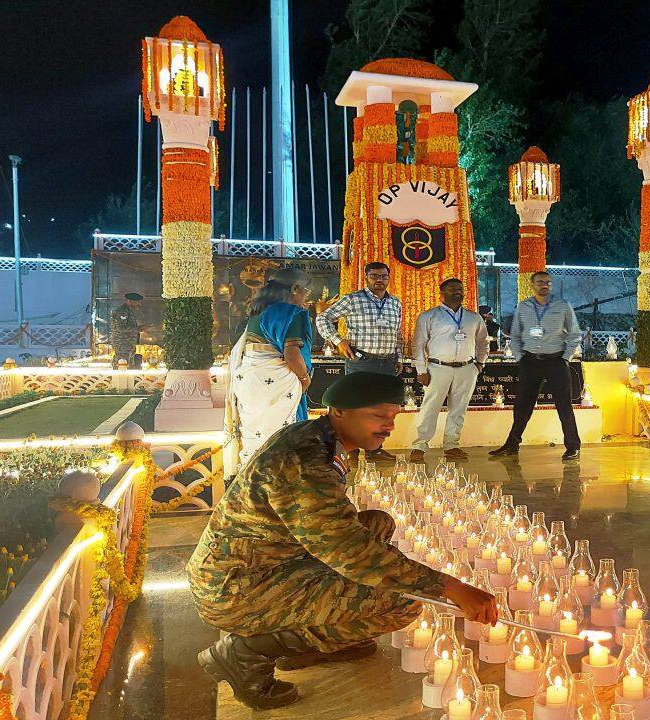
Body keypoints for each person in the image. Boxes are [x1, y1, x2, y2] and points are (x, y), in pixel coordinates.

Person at [189, 372, 498, 710]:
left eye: (393, 416)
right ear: (339, 411)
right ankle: (246, 651)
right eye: (377, 416)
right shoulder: (303, 461)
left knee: (377, 525)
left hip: (265, 561)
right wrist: (450, 587)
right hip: (237, 587)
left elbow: (342, 533)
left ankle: (306, 642)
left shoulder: (317, 437)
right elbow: (350, 552)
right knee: (401, 603)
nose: (389, 426)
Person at [489, 270, 584, 461]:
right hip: (530, 362)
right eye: (540, 282)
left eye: (548, 282)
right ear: (532, 285)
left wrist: (565, 358)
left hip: (556, 361)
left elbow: (575, 335)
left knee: (564, 405)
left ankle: (573, 446)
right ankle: (512, 444)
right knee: (522, 405)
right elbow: (515, 335)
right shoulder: (523, 307)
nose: (545, 285)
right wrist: (520, 358)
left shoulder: (562, 306)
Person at [225, 268, 314, 465]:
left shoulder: (258, 312)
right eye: (306, 293)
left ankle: (253, 479)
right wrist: (303, 378)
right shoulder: (294, 313)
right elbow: (291, 353)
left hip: (250, 381)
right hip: (278, 383)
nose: (306, 299)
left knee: (257, 437)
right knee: (282, 439)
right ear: (295, 289)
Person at [316, 261, 403, 460]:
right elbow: (323, 318)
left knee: (381, 408)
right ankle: (351, 449)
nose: (379, 280)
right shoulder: (353, 299)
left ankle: (375, 450)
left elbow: (397, 333)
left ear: (388, 278)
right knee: (355, 407)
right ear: (366, 278)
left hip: (387, 362)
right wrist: (338, 341)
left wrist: (398, 357)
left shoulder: (395, 302)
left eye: (383, 276)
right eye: (374, 276)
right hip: (361, 360)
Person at [410, 278, 488, 463]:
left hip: (466, 368)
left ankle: (452, 445)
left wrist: (479, 363)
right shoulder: (429, 316)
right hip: (437, 368)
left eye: (460, 289)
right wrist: (421, 370)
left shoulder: (473, 317)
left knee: (458, 409)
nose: (457, 292)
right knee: (430, 408)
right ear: (442, 293)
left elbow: (483, 342)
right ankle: (419, 446)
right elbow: (418, 344)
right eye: (452, 289)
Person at [110, 292, 143, 369]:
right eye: (138, 302)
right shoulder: (122, 311)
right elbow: (120, 328)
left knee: (129, 368)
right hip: (123, 345)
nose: (140, 304)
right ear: (130, 301)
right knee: (122, 367)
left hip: (127, 345)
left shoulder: (127, 310)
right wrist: (138, 328)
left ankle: (128, 381)